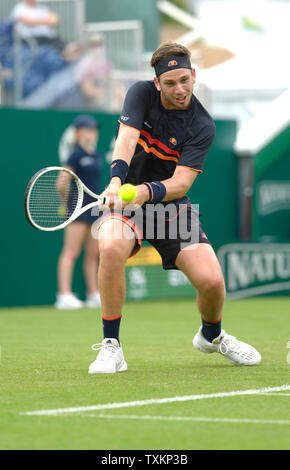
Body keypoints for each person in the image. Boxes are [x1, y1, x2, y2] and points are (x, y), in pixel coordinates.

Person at [88, 42, 261, 374]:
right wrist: (115, 180)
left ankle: (211, 335)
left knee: (212, 283)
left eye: (184, 80)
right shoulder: (139, 93)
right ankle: (112, 346)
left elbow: (181, 184)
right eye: (170, 83)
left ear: (194, 76)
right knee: (109, 247)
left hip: (168, 207)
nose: (179, 89)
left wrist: (142, 191)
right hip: (125, 204)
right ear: (157, 83)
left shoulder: (202, 125)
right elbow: (125, 138)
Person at [55, 115, 103, 310]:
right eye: (87, 129)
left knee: (93, 254)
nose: (92, 132)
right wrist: (66, 203)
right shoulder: (75, 154)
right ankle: (63, 295)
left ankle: (93, 294)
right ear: (78, 132)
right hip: (77, 209)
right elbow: (61, 182)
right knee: (71, 251)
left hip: (95, 209)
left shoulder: (96, 155)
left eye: (94, 129)